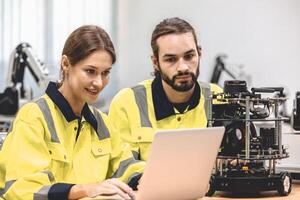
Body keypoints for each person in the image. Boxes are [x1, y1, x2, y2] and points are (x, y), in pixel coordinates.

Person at [0, 25, 144, 200]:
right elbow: (22, 189)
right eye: (90, 71)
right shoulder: (33, 118)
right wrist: (85, 190)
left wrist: (146, 178)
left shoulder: (102, 123)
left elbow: (126, 165)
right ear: (66, 64)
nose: (99, 83)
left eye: (105, 73)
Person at [108, 17, 223, 161]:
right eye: (171, 59)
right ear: (155, 62)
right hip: (145, 184)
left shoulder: (217, 97)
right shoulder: (126, 103)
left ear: (199, 54)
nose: (183, 67)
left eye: (189, 56)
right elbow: (120, 164)